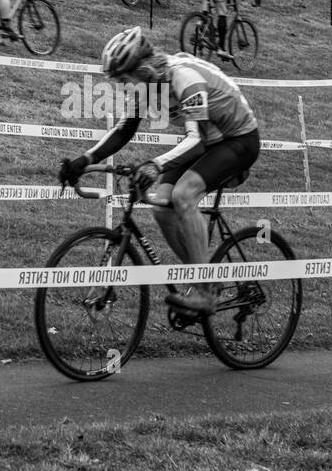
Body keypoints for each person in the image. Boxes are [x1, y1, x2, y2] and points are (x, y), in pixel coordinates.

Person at [58, 26, 262, 316]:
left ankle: (205, 292)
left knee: (183, 195)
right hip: (208, 141)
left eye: (123, 78)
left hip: (238, 140)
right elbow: (124, 130)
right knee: (161, 207)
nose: (122, 85)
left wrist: (155, 165)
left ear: (142, 69)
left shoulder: (183, 77)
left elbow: (195, 140)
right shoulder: (146, 85)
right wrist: (84, 159)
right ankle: (206, 280)